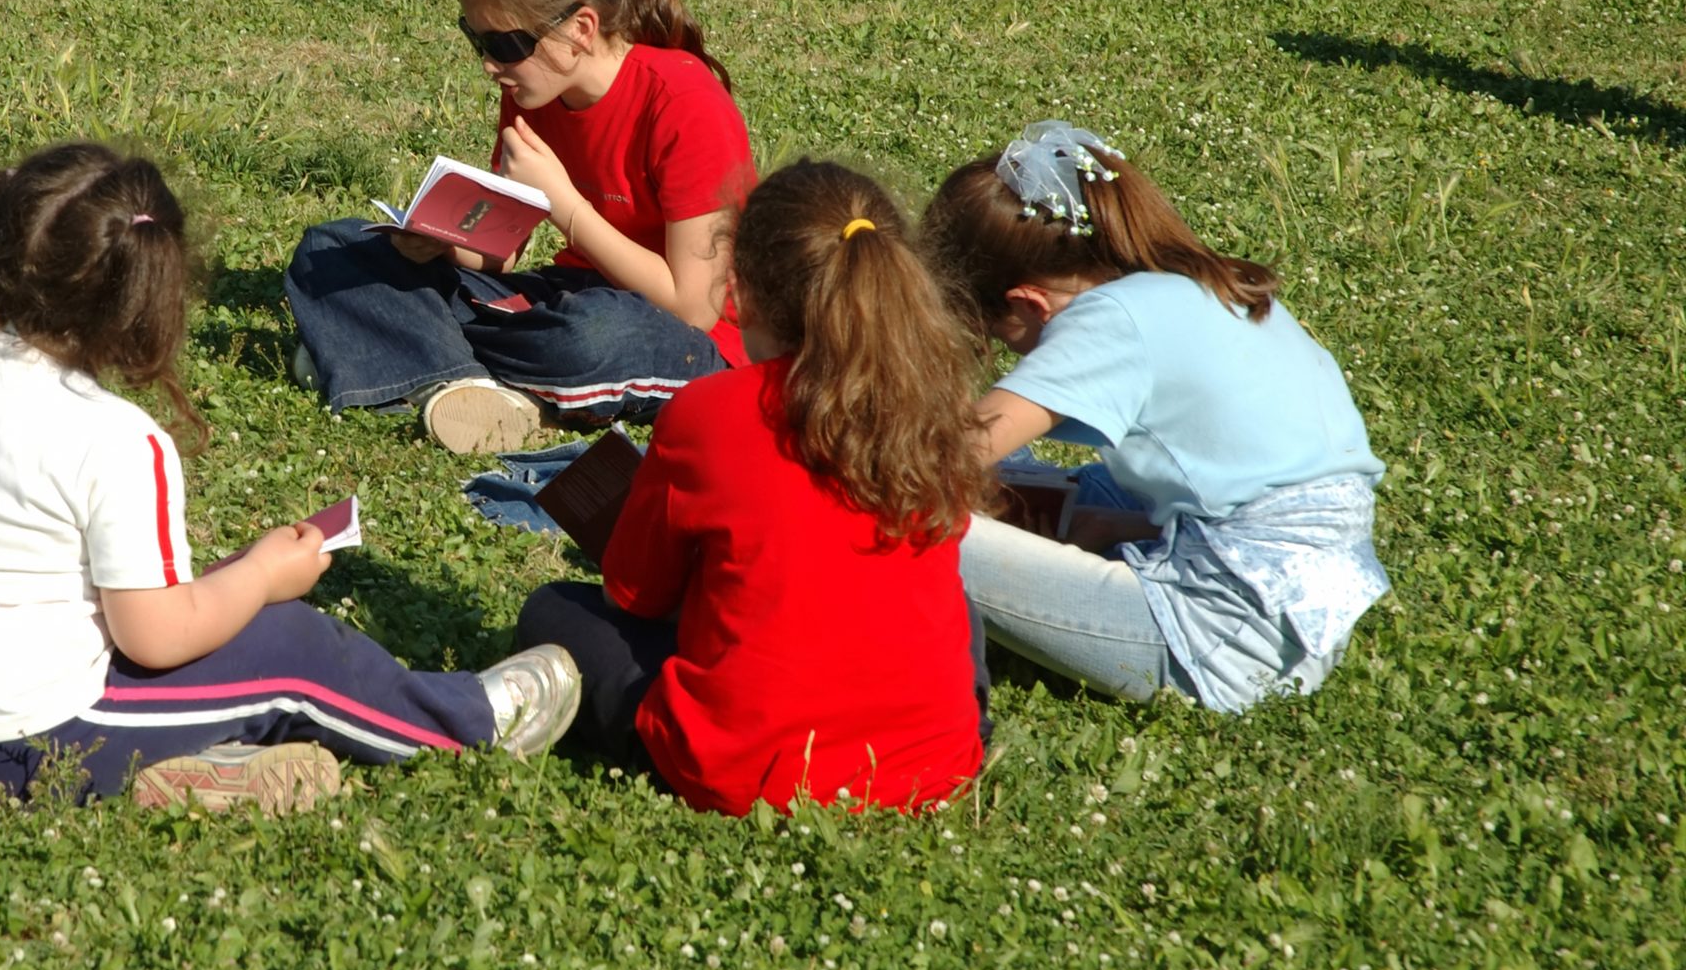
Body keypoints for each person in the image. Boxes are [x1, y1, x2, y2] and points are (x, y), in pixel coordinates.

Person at [0, 142, 583, 813]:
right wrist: (262, 577)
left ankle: (207, 772)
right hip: (21, 740)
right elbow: (156, 636)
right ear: (144, 299)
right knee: (289, 648)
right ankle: (467, 723)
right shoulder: (113, 435)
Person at [514, 162, 991, 815]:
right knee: (955, 598)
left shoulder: (710, 411)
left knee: (554, 610)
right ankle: (951, 719)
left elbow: (636, 595)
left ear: (743, 292)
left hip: (752, 773)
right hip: (933, 767)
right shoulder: (934, 404)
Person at [917, 121, 1388, 713]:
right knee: (1042, 480)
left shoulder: (1107, 323)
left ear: (1027, 303)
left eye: (1001, 338)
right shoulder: (1196, 285)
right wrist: (1105, 529)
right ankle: (1087, 541)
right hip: (1308, 616)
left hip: (1224, 645)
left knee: (903, 516)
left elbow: (937, 462)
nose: (1017, 360)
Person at [284, 0, 757, 455]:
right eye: (475, 39)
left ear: (581, 28)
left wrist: (565, 205)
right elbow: (501, 254)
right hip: (569, 298)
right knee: (334, 251)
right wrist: (439, 246)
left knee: (588, 337)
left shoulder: (683, 99)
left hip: (686, 338)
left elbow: (693, 306)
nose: (489, 64)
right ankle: (472, 389)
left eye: (505, 45)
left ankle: (401, 358)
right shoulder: (533, 91)